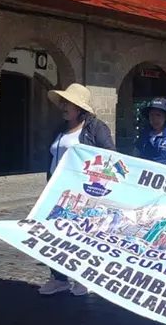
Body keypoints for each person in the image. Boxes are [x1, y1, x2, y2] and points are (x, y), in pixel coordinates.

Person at [40, 84, 115, 296]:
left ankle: (85, 277)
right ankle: (58, 278)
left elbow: (110, 156)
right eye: (62, 102)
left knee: (81, 236)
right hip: (56, 191)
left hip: (82, 194)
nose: (63, 107)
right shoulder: (60, 129)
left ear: (79, 108)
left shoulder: (95, 128)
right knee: (53, 235)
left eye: (68, 103)